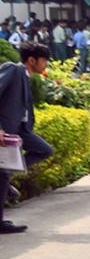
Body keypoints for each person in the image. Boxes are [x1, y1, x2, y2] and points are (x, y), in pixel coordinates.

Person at [0, 42, 54, 234]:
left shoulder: (26, 76)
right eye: (44, 60)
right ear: (32, 60)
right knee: (3, 175)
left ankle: (7, 174)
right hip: (6, 131)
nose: (46, 64)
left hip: (20, 130)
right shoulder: (13, 69)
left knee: (44, 150)